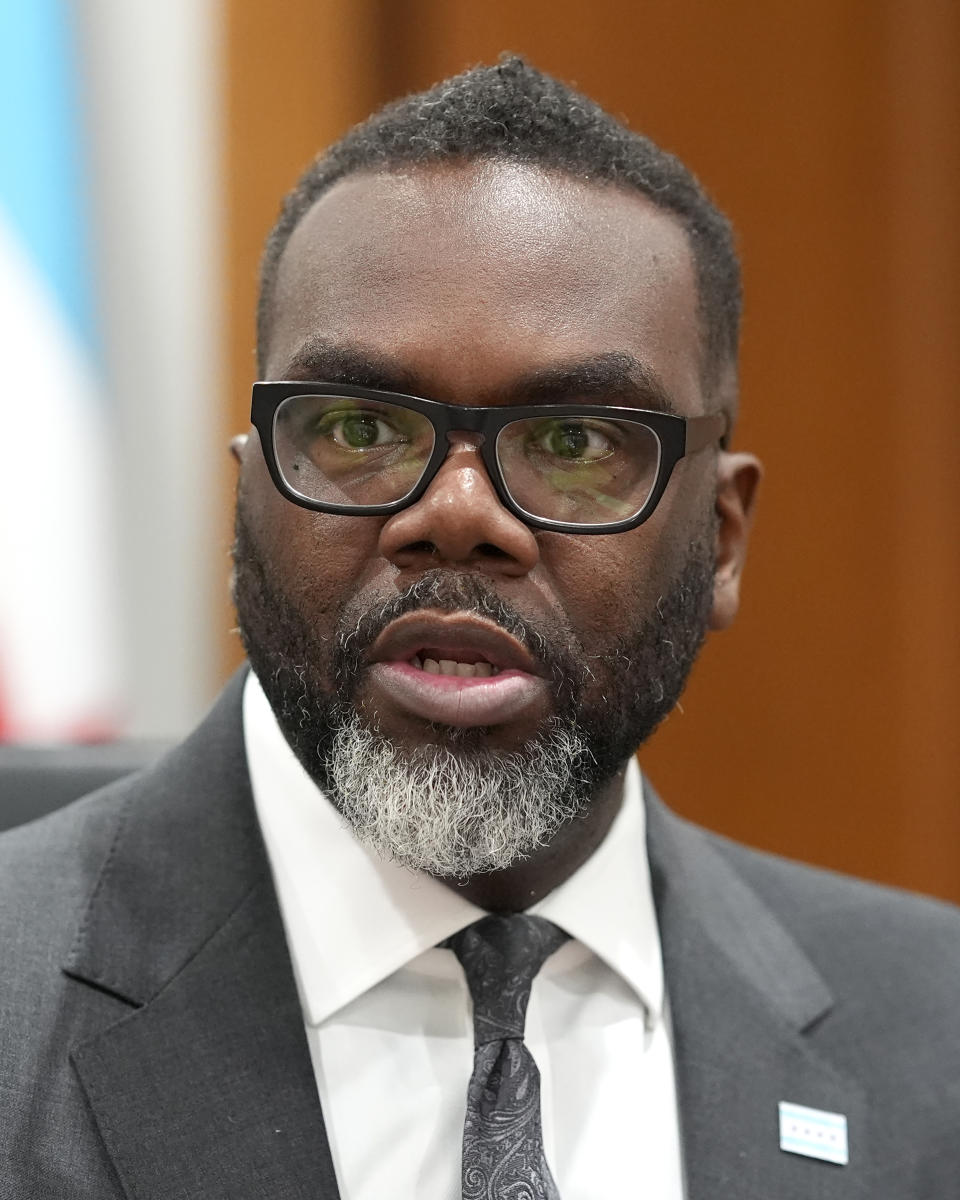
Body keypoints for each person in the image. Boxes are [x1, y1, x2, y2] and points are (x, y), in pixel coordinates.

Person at [2, 57, 959, 1200]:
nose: (455, 517)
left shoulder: (934, 1033)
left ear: (722, 537)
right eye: (358, 426)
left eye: (573, 445)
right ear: (249, 495)